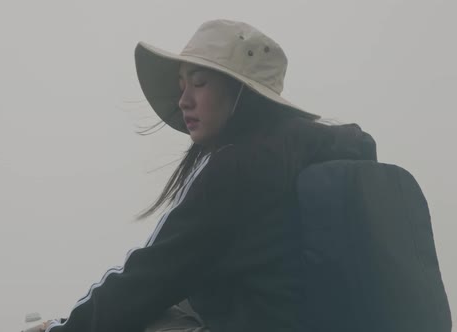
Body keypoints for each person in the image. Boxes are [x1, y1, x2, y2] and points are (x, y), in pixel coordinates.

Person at [42, 19, 377, 332]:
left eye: (199, 83)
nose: (183, 100)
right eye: (181, 86)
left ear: (242, 92)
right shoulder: (306, 154)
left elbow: (147, 277)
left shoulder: (237, 166)